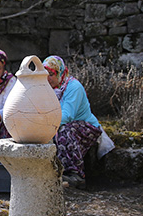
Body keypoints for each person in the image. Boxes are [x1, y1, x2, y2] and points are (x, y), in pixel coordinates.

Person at [43, 55, 101, 188]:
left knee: (65, 130)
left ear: (61, 73)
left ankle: (76, 174)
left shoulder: (73, 87)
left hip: (86, 127)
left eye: (51, 74)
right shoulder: (45, 89)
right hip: (60, 125)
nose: (47, 78)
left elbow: (67, 116)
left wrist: (44, 125)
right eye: (45, 74)